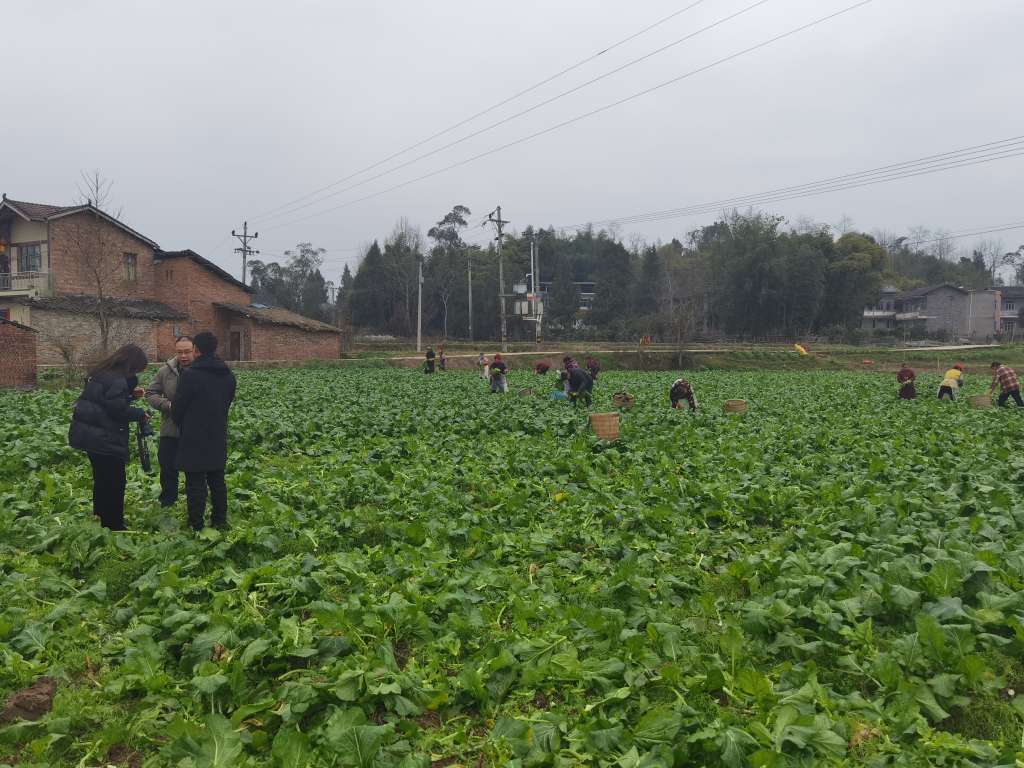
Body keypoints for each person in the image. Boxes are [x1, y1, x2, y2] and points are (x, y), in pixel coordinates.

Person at [68, 344, 151, 530]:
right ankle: (114, 525)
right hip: (104, 438)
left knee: (102, 481)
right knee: (115, 483)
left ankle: (101, 520)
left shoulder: (101, 373)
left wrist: (130, 394)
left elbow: (105, 401)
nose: (136, 373)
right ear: (132, 364)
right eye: (137, 369)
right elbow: (117, 411)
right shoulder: (117, 379)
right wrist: (140, 413)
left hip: (90, 437)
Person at [172, 332, 237, 531]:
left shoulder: (191, 375)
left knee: (196, 483)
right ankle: (219, 520)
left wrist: (185, 422)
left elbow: (177, 409)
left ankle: (197, 524)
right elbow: (226, 403)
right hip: (217, 433)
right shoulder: (228, 375)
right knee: (217, 480)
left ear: (197, 350)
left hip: (193, 435)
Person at [145, 336, 194, 506]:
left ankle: (194, 501)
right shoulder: (165, 371)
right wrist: (169, 405)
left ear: (195, 350)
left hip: (195, 429)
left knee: (194, 469)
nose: (183, 356)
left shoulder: (202, 371)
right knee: (167, 467)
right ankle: (168, 501)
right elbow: (151, 393)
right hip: (170, 427)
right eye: (180, 352)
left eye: (187, 351)